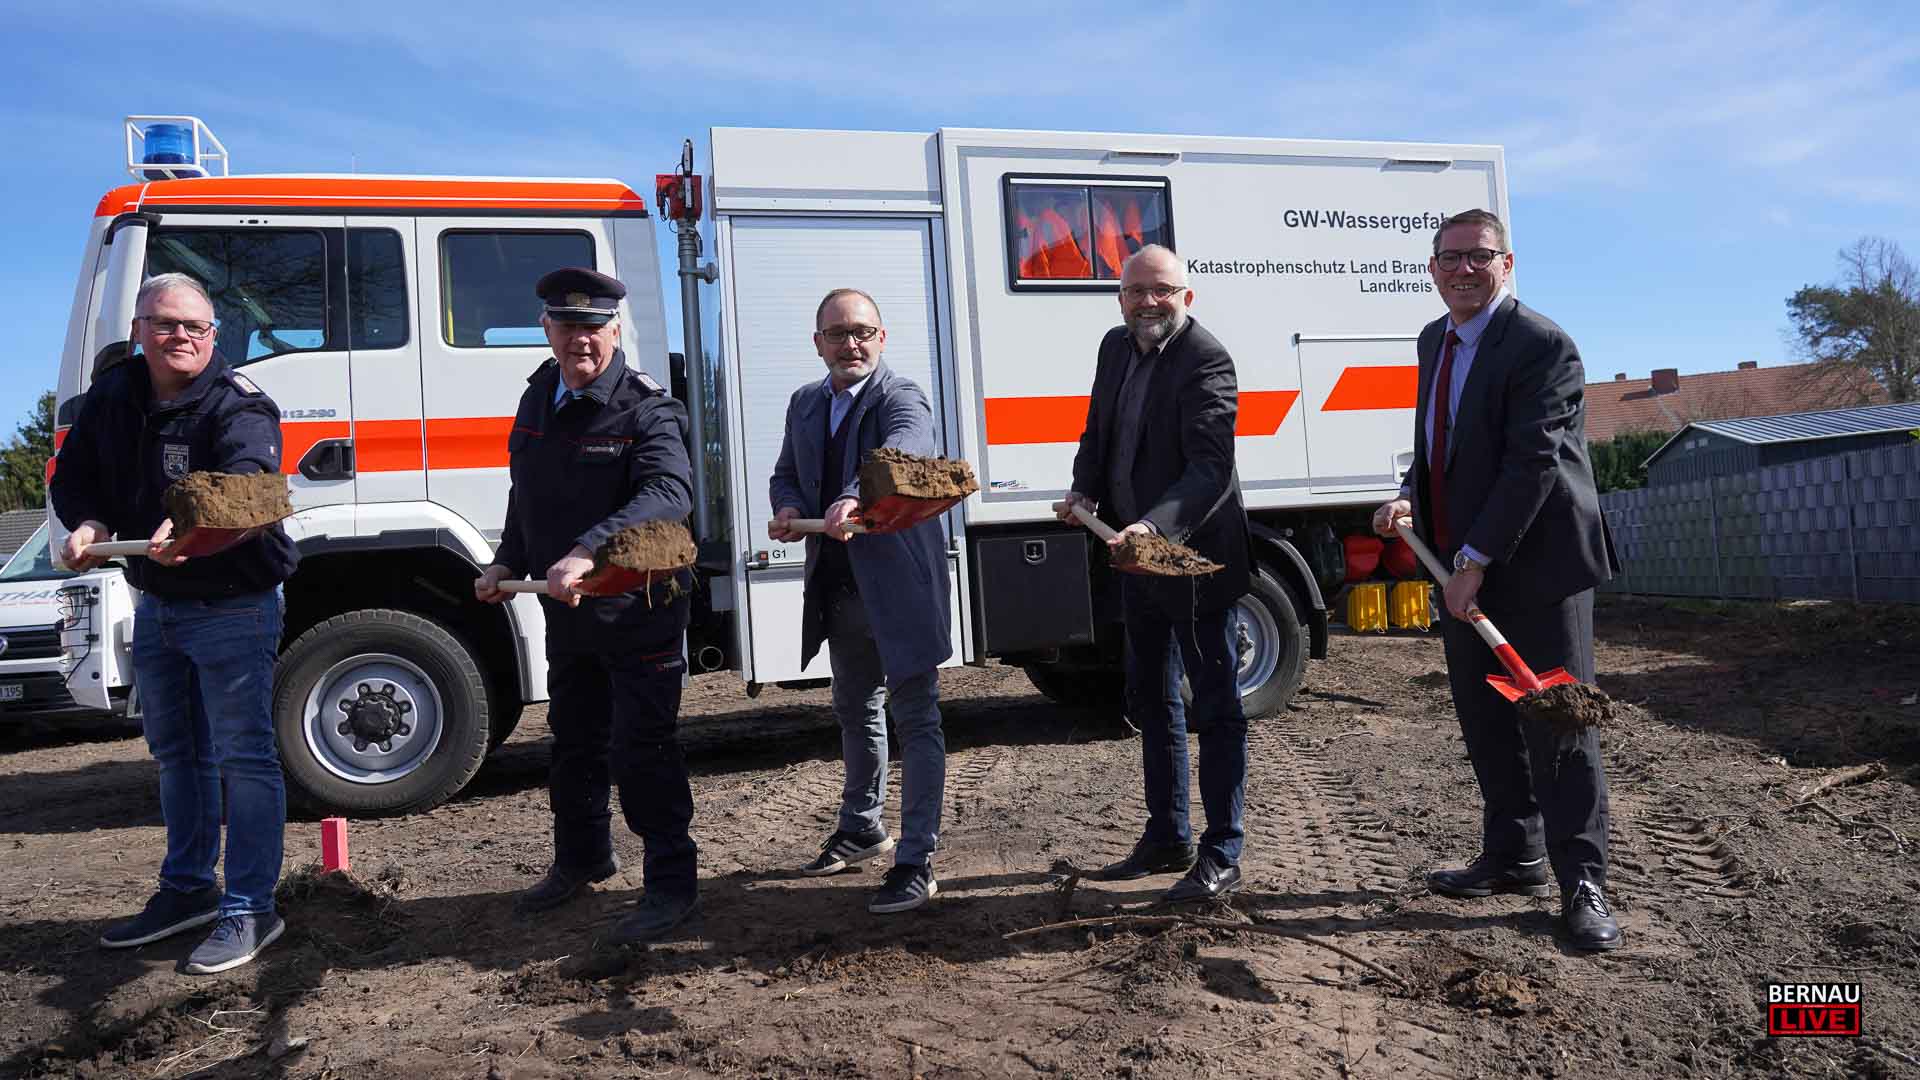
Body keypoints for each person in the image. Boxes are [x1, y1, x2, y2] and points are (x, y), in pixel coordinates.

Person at [1370, 208, 1621, 951]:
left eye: (1478, 257)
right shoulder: (1434, 340)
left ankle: (1585, 882)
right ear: (1432, 268)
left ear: (1506, 263)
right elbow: (1442, 443)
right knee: (1486, 719)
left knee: (1558, 721)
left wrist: (1474, 561)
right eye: (1449, 258)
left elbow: (1530, 464)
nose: (1462, 270)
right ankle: (1515, 854)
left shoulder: (1542, 344)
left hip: (1538, 566)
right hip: (1459, 561)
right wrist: (1411, 493)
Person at [53, 272, 299, 974]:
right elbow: (74, 479)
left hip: (234, 601)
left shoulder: (239, 402)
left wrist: (196, 517)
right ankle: (188, 889)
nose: (182, 337)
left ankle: (251, 907)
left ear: (213, 336)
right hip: (157, 602)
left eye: (196, 328)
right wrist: (90, 523)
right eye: (166, 325)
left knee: (243, 756)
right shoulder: (113, 394)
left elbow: (251, 477)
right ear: (139, 331)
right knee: (177, 754)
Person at [474, 267, 699, 945]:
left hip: (640, 610)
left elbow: (669, 493)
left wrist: (588, 550)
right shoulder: (539, 396)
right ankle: (581, 859)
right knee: (573, 744)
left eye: (594, 327)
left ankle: (671, 883)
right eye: (567, 326)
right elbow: (528, 494)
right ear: (546, 330)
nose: (581, 340)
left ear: (615, 329)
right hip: (567, 612)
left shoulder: (646, 406)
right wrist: (507, 559)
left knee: (643, 748)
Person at [1058, 245, 1252, 904]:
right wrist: (1084, 492)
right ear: (1120, 298)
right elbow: (1098, 434)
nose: (1148, 302)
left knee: (1216, 706)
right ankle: (1167, 833)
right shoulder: (1116, 349)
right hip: (1136, 559)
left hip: (1194, 561)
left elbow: (1209, 468)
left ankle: (1223, 849)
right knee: (1151, 699)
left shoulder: (1207, 360)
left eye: (1162, 290)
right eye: (1136, 291)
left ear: (1186, 297)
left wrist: (1155, 526)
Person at [768, 288, 951, 914]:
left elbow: (902, 452)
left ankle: (917, 859)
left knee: (916, 716)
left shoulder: (901, 396)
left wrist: (851, 494)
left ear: (882, 337)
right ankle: (863, 826)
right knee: (855, 709)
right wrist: (789, 507)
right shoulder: (805, 402)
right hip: (840, 585)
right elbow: (785, 472)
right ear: (818, 342)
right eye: (838, 333)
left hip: (898, 584)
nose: (851, 343)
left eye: (862, 332)